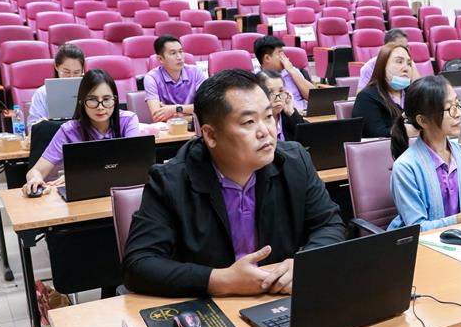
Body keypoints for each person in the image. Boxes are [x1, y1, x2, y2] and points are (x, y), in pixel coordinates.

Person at [123, 69, 346, 297]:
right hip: (211, 304)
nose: (265, 132)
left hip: (279, 297)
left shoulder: (294, 161)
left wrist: (304, 262)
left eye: (268, 116)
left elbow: (330, 225)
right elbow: (139, 263)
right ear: (211, 135)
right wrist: (220, 280)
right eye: (249, 122)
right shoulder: (170, 181)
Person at [388, 76, 461, 231]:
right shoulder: (405, 167)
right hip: (424, 243)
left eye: (457, 104)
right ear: (423, 120)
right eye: (449, 108)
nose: (458, 113)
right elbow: (417, 228)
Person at [23, 69, 140, 195]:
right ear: (81, 102)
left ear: (115, 100)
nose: (100, 107)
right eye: (92, 99)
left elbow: (134, 164)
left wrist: (76, 176)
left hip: (123, 193)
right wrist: (35, 178)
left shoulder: (128, 120)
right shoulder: (68, 131)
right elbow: (35, 171)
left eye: (106, 99)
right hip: (84, 197)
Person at [353, 42, 419, 138]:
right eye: (399, 62)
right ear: (382, 66)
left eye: (409, 63)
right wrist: (402, 131)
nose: (406, 68)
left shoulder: (414, 93)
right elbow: (374, 134)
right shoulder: (367, 97)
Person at [144, 35, 207, 122]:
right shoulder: (151, 78)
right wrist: (191, 114)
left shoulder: (196, 72)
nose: (179, 57)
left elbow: (206, 107)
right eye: (173, 53)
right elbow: (157, 116)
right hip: (168, 128)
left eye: (181, 51)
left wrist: (175, 109)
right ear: (160, 59)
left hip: (194, 127)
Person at [253, 35, 315, 111]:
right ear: (267, 58)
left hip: (307, 113)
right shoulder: (257, 79)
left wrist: (291, 71)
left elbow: (314, 97)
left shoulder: (291, 70)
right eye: (280, 54)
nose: (285, 58)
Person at [28, 44, 85, 125]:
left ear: (82, 71)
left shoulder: (88, 92)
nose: (71, 76)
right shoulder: (42, 93)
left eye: (76, 72)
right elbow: (32, 126)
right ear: (56, 67)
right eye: (66, 72)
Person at [257, 69, 305, 141]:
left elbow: (305, 138)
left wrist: (290, 111)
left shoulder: (287, 115)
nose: (278, 98)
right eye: (270, 92)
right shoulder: (256, 122)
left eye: (281, 91)